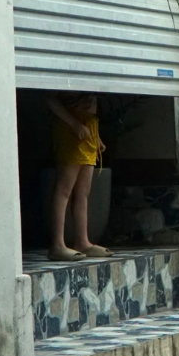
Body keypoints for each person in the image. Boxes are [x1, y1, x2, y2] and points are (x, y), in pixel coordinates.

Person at [46, 93, 111, 261]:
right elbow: (51, 99)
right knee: (64, 189)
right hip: (72, 127)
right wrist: (74, 124)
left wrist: (96, 137)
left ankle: (83, 241)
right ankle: (57, 244)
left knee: (83, 192)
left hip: (88, 126)